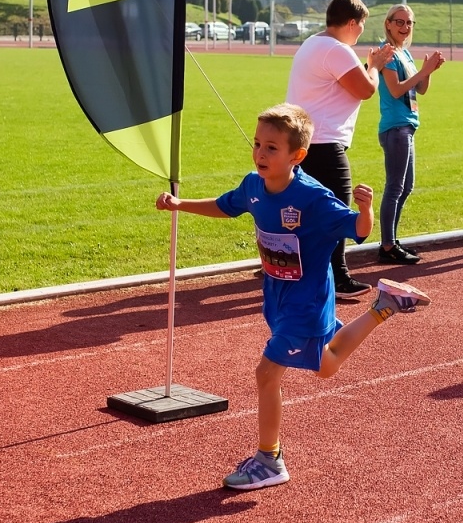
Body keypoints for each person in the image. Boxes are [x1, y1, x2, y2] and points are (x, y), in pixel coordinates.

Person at [156, 104, 432, 490]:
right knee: (325, 365)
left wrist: (366, 208)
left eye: (271, 148)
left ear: (297, 156)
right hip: (277, 294)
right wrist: (181, 204)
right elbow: (225, 205)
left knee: (266, 374)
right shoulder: (254, 186)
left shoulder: (312, 198)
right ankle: (385, 306)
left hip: (307, 300)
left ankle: (269, 459)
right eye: (257, 144)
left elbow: (359, 230)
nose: (260, 154)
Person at [286, 0, 393, 299]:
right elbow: (364, 90)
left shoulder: (312, 43)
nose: (361, 32)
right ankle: (339, 277)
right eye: (361, 25)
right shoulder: (337, 50)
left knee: (303, 210)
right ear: (350, 22)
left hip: (305, 142)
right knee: (336, 212)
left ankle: (293, 267)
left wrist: (366, 65)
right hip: (324, 143)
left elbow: (342, 84)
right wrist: (374, 65)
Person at [375, 5, 445, 265]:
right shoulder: (388, 53)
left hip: (407, 125)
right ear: (389, 24)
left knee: (406, 187)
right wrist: (424, 71)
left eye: (410, 23)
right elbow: (395, 90)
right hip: (395, 127)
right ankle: (387, 245)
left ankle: (391, 239)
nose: (405, 27)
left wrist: (430, 70)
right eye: (400, 22)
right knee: (395, 187)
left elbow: (421, 89)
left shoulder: (405, 53)